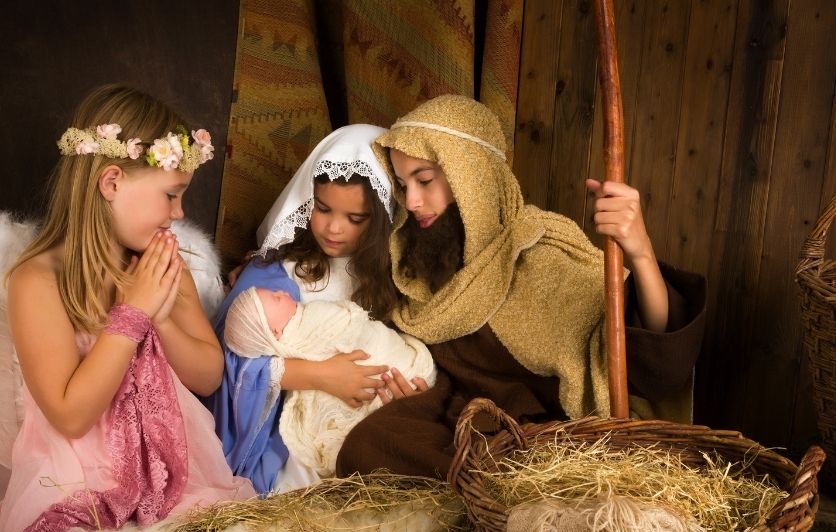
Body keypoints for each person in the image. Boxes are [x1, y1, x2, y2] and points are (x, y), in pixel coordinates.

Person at [0, 84, 255, 532]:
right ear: (111, 182)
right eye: (171, 195)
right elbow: (69, 413)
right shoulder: (38, 280)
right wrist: (131, 313)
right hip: (77, 480)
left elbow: (209, 375)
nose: (178, 213)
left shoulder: (165, 267)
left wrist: (164, 316)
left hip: (178, 470)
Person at [336, 94, 706, 480]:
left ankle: (496, 489)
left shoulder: (541, 254)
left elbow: (657, 364)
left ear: (472, 176)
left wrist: (641, 251)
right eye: (402, 183)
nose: (411, 201)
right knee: (373, 443)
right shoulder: (425, 267)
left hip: (558, 434)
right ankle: (485, 487)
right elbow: (461, 377)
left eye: (424, 180)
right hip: (478, 422)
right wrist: (422, 390)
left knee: (528, 467)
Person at [206, 124, 424, 494]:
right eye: (322, 208)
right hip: (280, 447)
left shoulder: (395, 283)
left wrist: (407, 390)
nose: (333, 228)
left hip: (357, 433)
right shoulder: (276, 271)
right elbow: (225, 367)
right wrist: (319, 375)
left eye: (356, 219)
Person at [223, 286, 436, 490]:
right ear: (276, 333)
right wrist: (320, 375)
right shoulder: (282, 310)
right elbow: (244, 367)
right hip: (359, 410)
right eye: (276, 298)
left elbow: (358, 330)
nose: (282, 293)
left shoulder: (294, 310)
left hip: (400, 382)